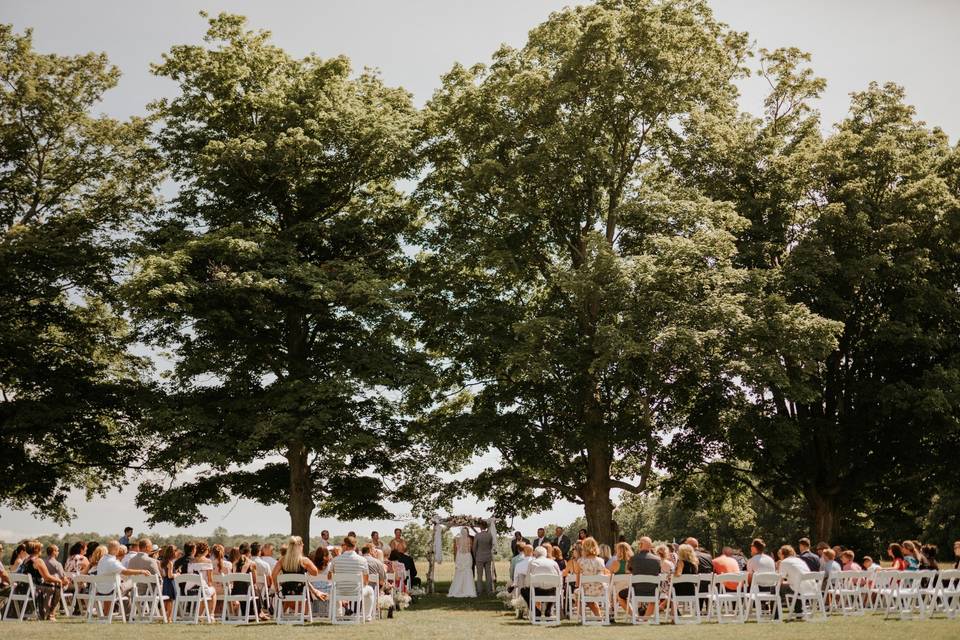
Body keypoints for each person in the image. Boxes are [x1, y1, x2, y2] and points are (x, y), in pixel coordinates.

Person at [20, 541, 68, 620]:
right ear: (36, 549)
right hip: (35, 589)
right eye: (40, 548)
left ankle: (47, 611)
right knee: (57, 586)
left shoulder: (25, 560)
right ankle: (51, 614)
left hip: (24, 588)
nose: (42, 550)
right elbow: (47, 577)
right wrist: (58, 580)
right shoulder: (38, 561)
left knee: (51, 585)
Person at [330, 536, 374, 621]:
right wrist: (364, 585)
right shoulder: (362, 560)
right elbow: (366, 579)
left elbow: (330, 576)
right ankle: (367, 616)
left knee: (333, 590)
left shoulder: (335, 560)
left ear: (345, 546)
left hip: (340, 591)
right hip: (356, 591)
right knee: (370, 590)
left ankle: (338, 615)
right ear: (355, 546)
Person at [620, 536, 659, 619]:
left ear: (640, 545)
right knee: (655, 597)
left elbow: (628, 570)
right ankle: (645, 618)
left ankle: (635, 616)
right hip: (652, 590)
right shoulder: (657, 559)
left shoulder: (633, 558)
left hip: (636, 590)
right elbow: (659, 572)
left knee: (620, 596)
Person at [576, 537, 610, 618]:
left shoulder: (580, 561)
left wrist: (577, 585)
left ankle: (583, 617)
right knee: (589, 597)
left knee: (577, 593)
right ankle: (599, 617)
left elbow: (578, 577)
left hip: (586, 590)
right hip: (600, 589)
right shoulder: (600, 561)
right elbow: (604, 573)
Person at [524, 546, 561, 617]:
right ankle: (548, 609)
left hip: (537, 592)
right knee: (556, 588)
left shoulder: (532, 563)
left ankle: (536, 610)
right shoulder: (554, 563)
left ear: (535, 554)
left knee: (523, 590)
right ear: (546, 554)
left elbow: (527, 581)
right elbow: (560, 579)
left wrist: (529, 587)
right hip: (551, 592)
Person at [778, 545, 815, 614]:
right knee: (795, 586)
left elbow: (780, 581)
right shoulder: (799, 560)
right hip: (812, 587)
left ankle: (776, 615)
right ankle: (799, 612)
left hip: (799, 588)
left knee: (775, 588)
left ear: (782, 554)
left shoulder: (784, 562)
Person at [448, 527, 477, 598]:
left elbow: (455, 549)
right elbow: (471, 549)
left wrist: (455, 558)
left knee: (459, 572)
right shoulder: (469, 539)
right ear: (467, 532)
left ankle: (457, 590)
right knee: (467, 572)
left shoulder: (457, 539)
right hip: (467, 556)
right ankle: (469, 590)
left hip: (460, 556)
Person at [474, 520, 495, 595]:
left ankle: (479, 591)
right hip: (488, 556)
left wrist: (475, 555)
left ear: (480, 527)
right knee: (488, 574)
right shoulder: (490, 535)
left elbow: (474, 547)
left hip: (479, 557)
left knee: (479, 575)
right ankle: (489, 591)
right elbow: (491, 546)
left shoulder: (477, 535)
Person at [159, 545, 177, 622]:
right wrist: (177, 574)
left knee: (165, 600)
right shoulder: (170, 562)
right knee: (170, 600)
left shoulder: (162, 562)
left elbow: (163, 574)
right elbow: (170, 575)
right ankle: (169, 618)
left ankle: (163, 616)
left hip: (165, 582)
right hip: (170, 582)